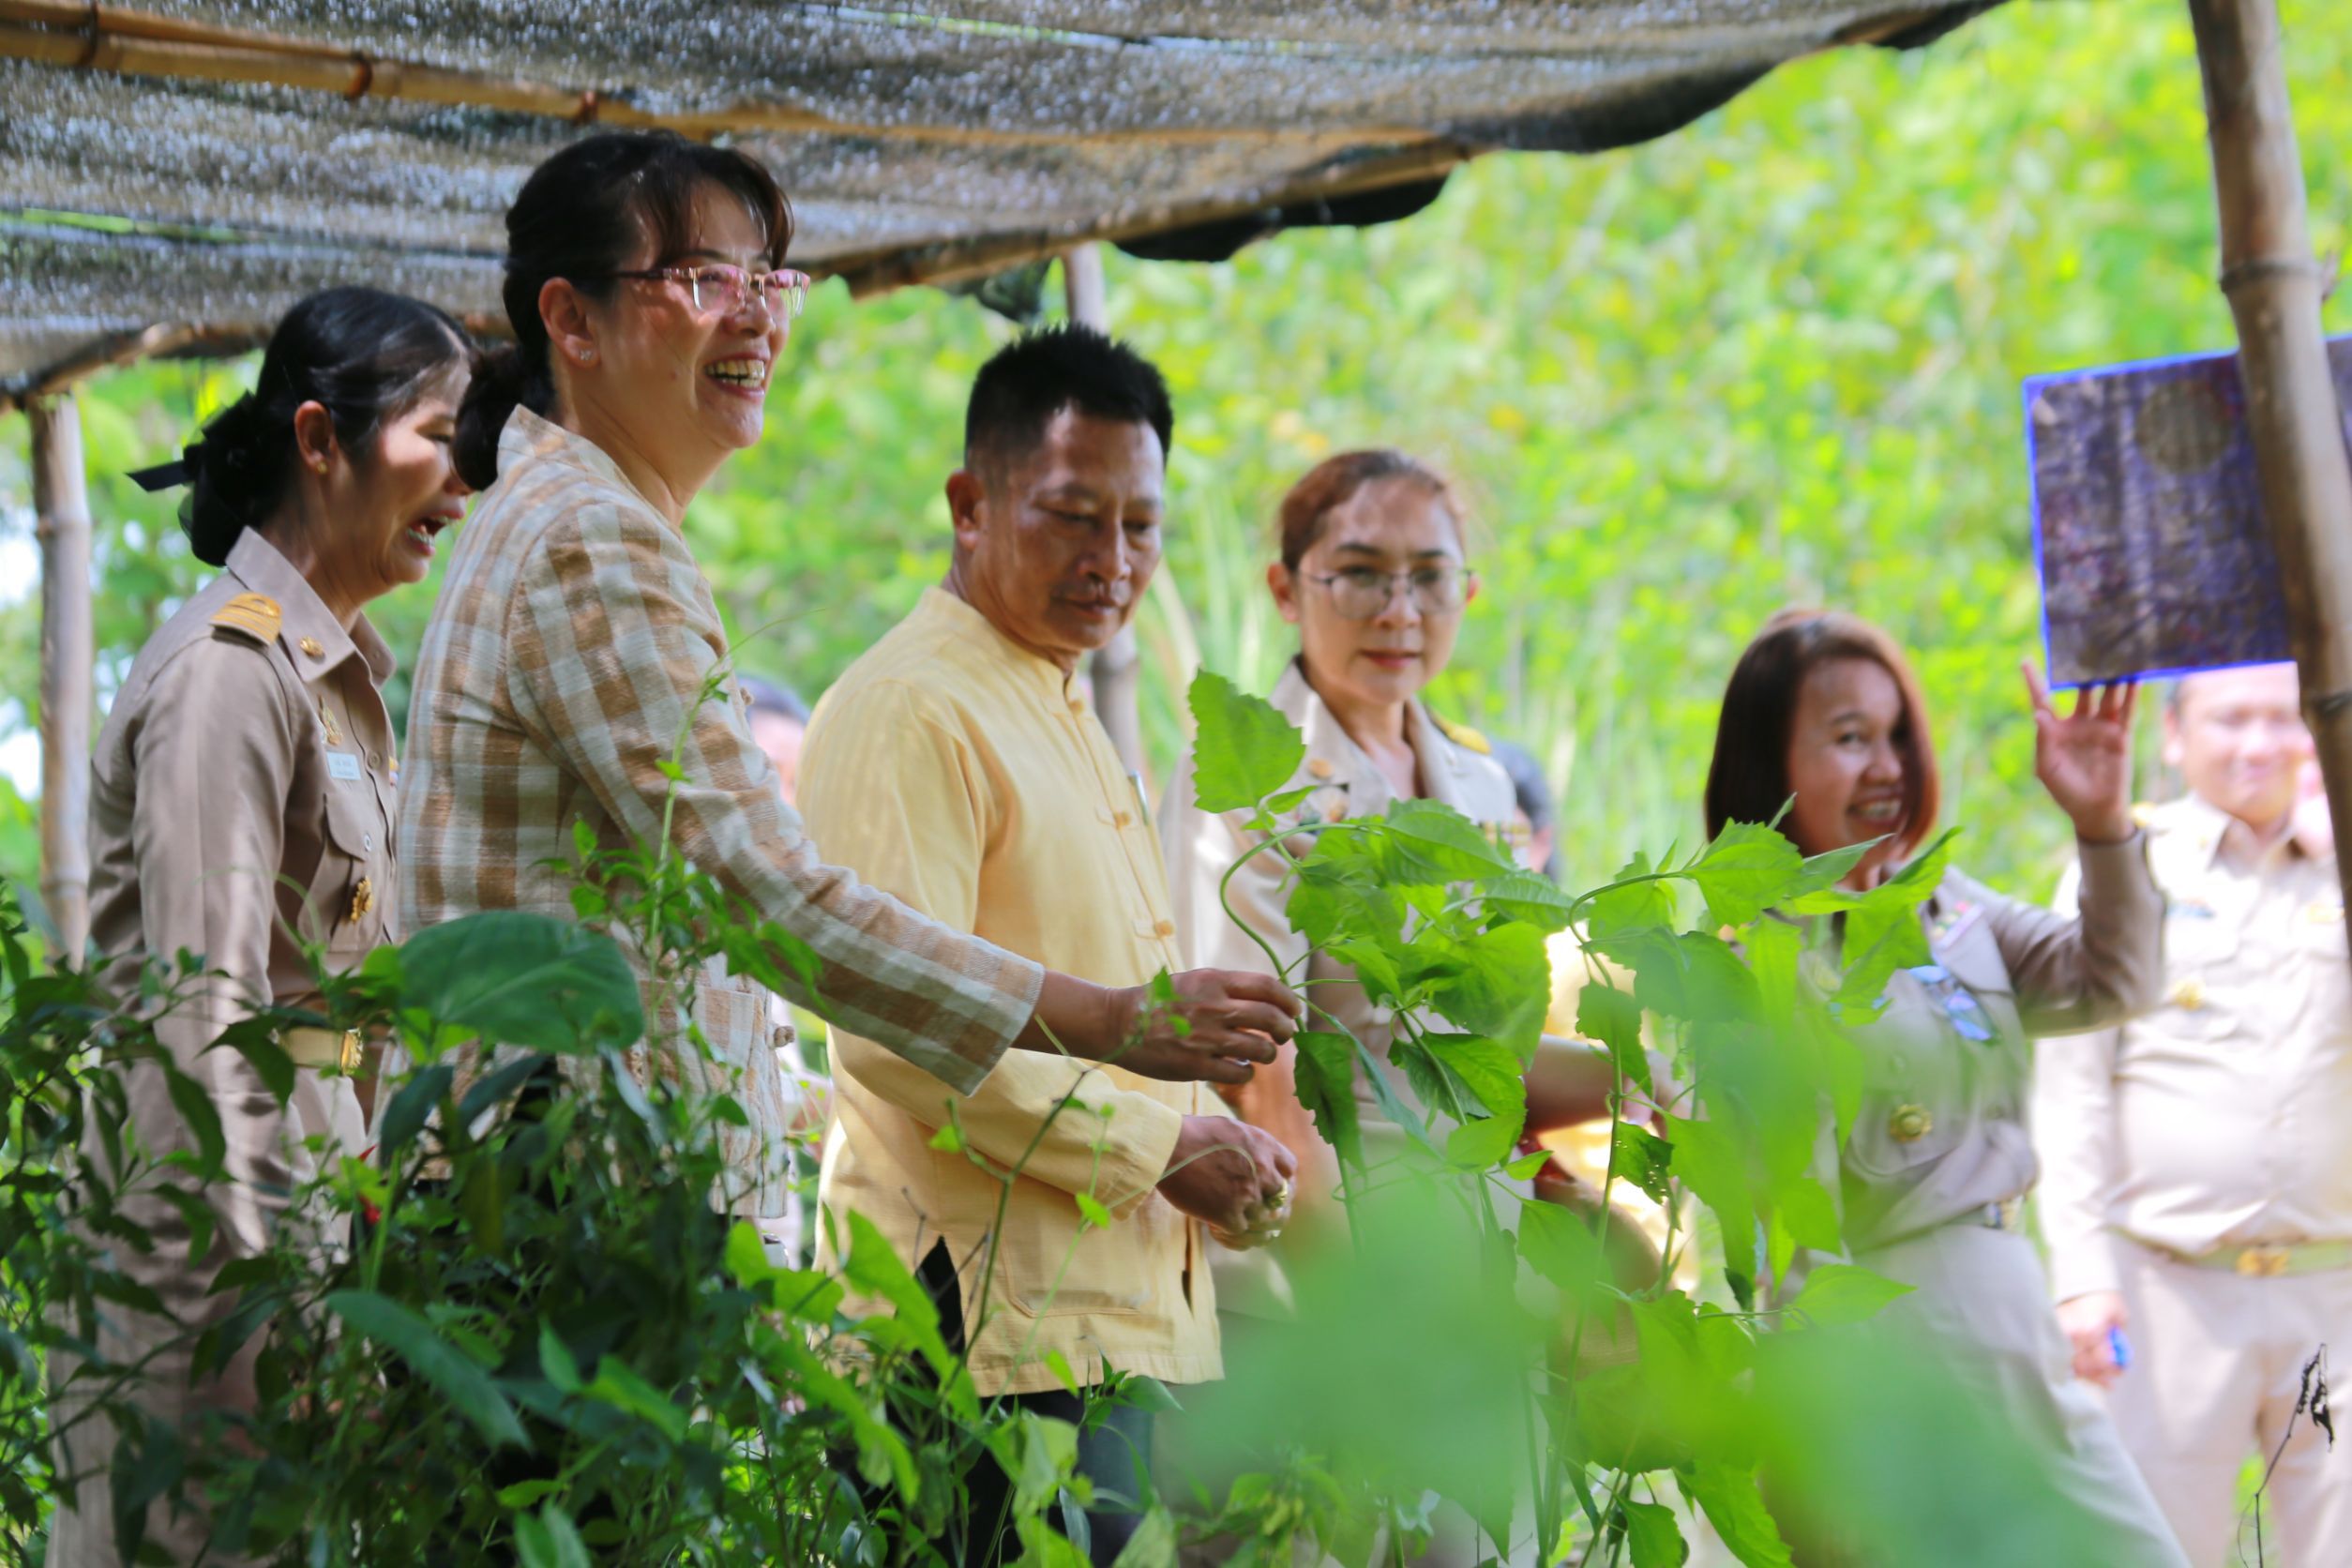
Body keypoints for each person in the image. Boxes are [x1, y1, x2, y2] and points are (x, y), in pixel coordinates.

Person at [398, 131, 1297, 1223]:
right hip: (565, 1209)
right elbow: (766, 895)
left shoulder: (586, 519)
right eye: (702, 279)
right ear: (572, 320)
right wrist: (1112, 1023)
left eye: (770, 279)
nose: (756, 313)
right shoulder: (591, 537)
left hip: (575, 1198)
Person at [801, 325, 1296, 1564]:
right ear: (971, 504)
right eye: (1074, 516)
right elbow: (895, 1030)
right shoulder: (912, 705)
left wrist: (1211, 1123)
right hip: (978, 1335)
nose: (1111, 561)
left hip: (1104, 1323)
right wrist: (1161, 1144)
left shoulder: (1057, 695)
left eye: (1141, 526)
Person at [48, 287, 475, 1567]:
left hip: (302, 1236)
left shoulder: (333, 680)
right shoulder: (230, 676)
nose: (465, 478)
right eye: (440, 435)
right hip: (206, 1267)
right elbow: (204, 1016)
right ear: (317, 439)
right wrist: (238, 1298)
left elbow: (332, 1006)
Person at [1158, 449, 1613, 1566]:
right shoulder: (1249, 775)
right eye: (1358, 573)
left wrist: (1653, 1075)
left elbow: (1479, 1063)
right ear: (1285, 588)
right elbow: (1253, 1065)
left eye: (1430, 577)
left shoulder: (1480, 787)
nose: (1397, 610)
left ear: (1469, 593)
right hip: (1304, 1284)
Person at [1702, 608, 2185, 1565]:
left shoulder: (1948, 905)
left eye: (1897, 736)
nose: (1887, 767)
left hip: (2011, 1310)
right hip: (1894, 1327)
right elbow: (1784, 1221)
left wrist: (2101, 828)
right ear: (1770, 766)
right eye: (1849, 739)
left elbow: (2113, 980)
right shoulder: (1757, 954)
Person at [2032, 662, 2351, 1566]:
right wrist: (2084, 1275)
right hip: (2167, 1291)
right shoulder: (2127, 865)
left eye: (2283, 721)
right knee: (2152, 1548)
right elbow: (2074, 1091)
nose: (2259, 745)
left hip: (2334, 1290)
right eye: (2230, 720)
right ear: (2174, 737)